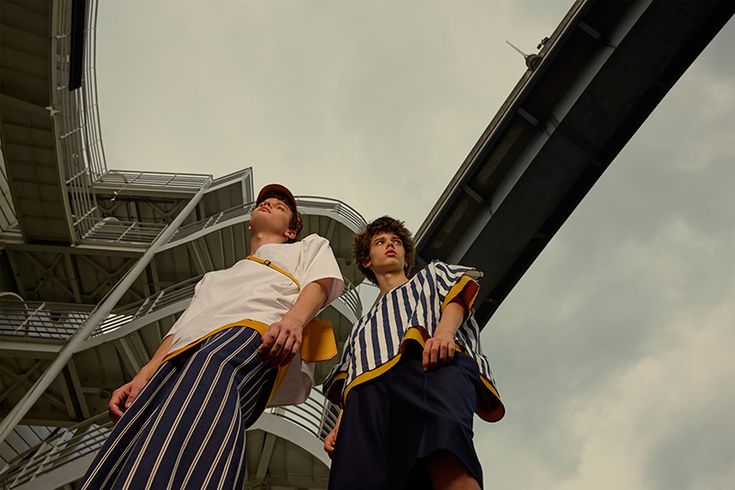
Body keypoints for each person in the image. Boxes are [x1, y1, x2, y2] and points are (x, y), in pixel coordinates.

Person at [79, 184, 344, 489]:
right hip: (185, 351)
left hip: (257, 332)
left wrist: (294, 321)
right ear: (249, 222)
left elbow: (319, 283)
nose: (270, 204)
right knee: (139, 430)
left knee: (213, 372)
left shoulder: (308, 246)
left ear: (290, 232)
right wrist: (145, 372)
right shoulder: (213, 279)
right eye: (265, 202)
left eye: (281, 207)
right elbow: (183, 327)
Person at [323, 216, 504, 490]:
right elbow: (353, 376)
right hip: (369, 394)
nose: (390, 245)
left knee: (446, 448)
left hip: (429, 364)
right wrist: (340, 424)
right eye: (380, 242)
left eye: (396, 241)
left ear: (407, 256)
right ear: (367, 261)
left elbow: (456, 296)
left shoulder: (432, 275)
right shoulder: (361, 325)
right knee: (358, 478)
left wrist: (443, 333)